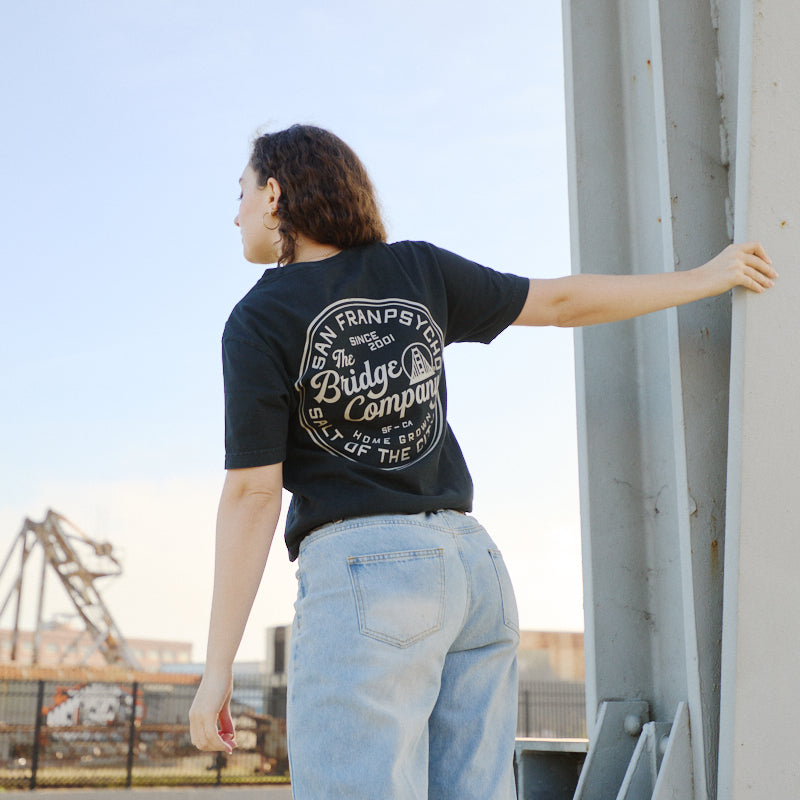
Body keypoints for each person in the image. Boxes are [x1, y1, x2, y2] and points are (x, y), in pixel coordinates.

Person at [188, 124, 776, 799]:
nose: (234, 213)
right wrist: (707, 277)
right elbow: (559, 302)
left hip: (367, 577)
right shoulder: (417, 269)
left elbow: (252, 497)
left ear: (272, 193)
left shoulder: (259, 317)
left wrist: (217, 668)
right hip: (472, 568)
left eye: (239, 194)